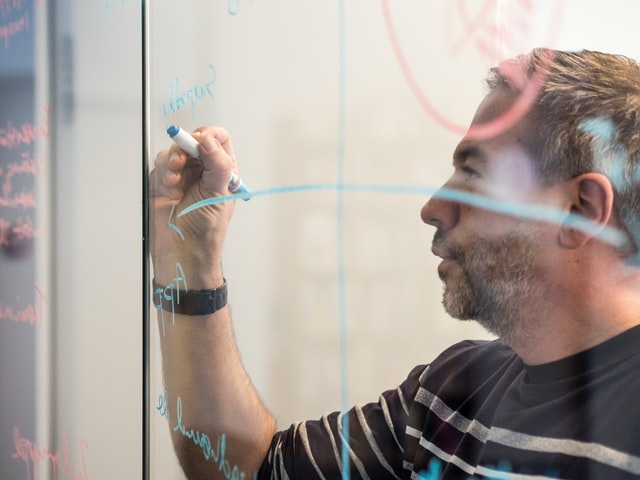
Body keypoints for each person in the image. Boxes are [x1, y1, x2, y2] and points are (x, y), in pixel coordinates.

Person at [150, 48, 640, 479]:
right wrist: (192, 260)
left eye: (473, 172)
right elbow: (249, 470)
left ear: (581, 209)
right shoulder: (450, 396)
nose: (433, 207)